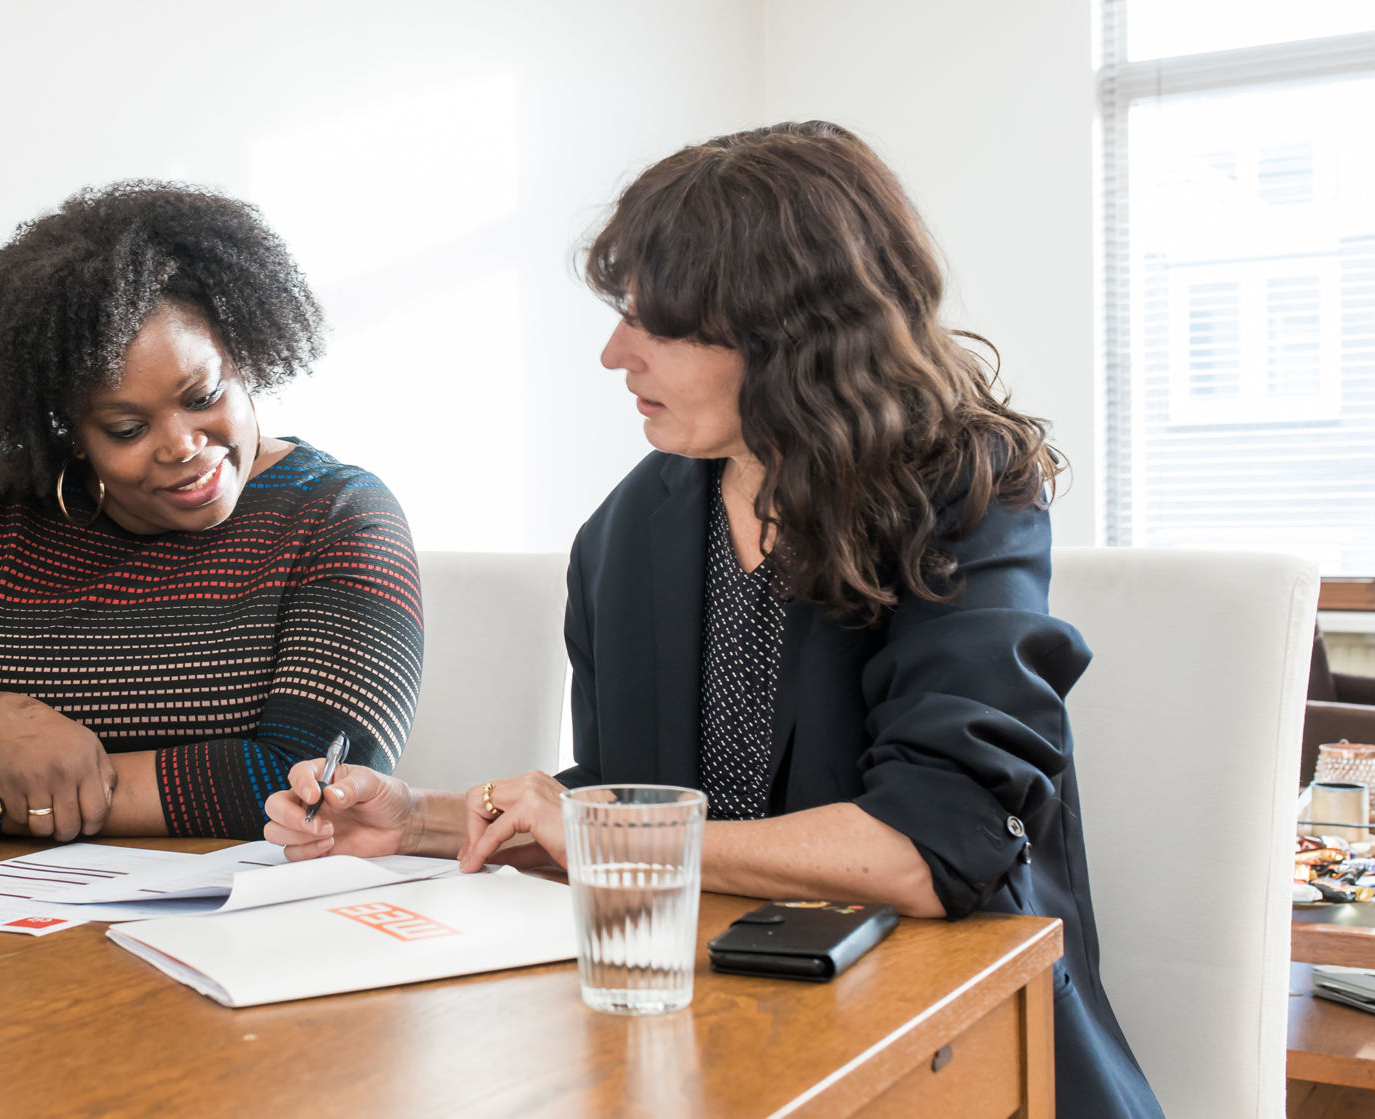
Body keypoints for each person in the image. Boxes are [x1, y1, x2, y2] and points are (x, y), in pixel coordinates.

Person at [264, 123, 1161, 1117]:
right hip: (725, 1027)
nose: (612, 354)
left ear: (789, 333)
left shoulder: (961, 493)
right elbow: (634, 798)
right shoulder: (627, 529)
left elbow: (929, 847)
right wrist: (418, 819)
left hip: (954, 1045)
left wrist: (599, 833)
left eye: (656, 325)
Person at [0, 182, 422, 845]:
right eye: (126, 428)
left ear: (243, 354)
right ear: (70, 435)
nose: (183, 445)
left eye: (203, 394)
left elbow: (316, 785)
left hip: (234, 931)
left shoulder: (338, 515)